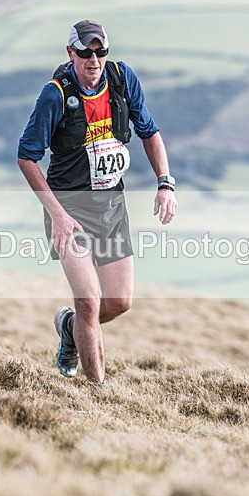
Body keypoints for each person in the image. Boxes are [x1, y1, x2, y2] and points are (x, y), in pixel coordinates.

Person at [17, 19, 177, 385]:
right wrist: (55, 214)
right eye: (86, 52)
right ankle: (98, 392)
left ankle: (70, 327)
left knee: (119, 303)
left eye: (100, 51)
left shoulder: (122, 80)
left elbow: (149, 132)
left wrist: (165, 182)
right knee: (89, 302)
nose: (94, 59)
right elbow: (27, 157)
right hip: (68, 211)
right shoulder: (55, 95)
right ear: (70, 52)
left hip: (111, 208)